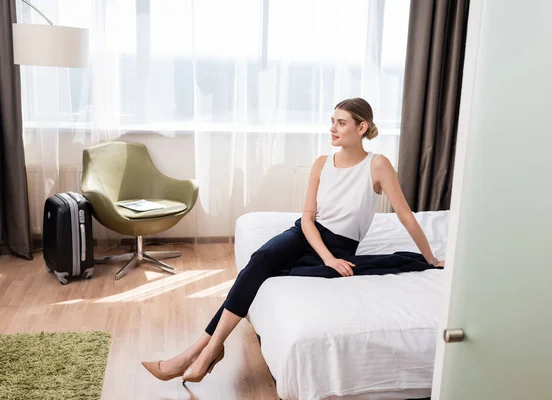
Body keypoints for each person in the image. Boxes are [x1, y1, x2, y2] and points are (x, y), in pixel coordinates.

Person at [141, 97, 444, 383]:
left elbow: (405, 216)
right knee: (259, 261)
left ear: (361, 127)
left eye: (341, 123)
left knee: (260, 272)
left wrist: (429, 258)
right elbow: (308, 218)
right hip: (304, 233)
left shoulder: (377, 165)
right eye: (332, 121)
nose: (332, 128)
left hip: (342, 244)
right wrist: (326, 258)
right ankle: (206, 350)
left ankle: (196, 353)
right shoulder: (322, 162)